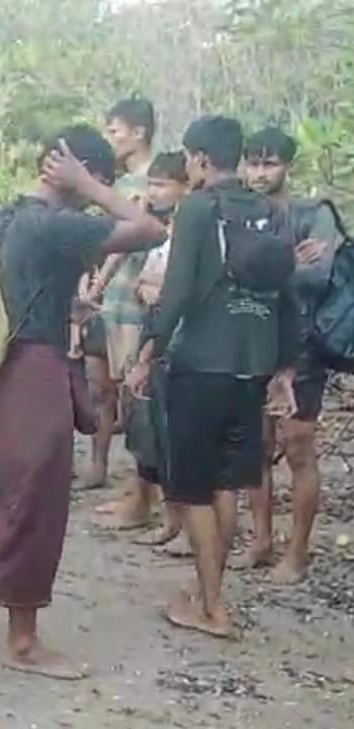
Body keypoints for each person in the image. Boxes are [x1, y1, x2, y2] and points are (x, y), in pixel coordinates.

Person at [0, 125, 165, 679]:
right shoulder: (54, 225)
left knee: (20, 492)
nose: (98, 194)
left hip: (6, 367)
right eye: (98, 179)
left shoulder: (8, 217)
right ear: (76, 170)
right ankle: (22, 641)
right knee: (39, 501)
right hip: (33, 368)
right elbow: (150, 229)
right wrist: (90, 185)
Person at [126, 116, 299, 639]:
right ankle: (209, 595)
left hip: (201, 364)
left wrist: (148, 349)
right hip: (253, 366)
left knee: (195, 488)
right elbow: (287, 297)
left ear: (200, 158)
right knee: (226, 484)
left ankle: (212, 608)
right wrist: (284, 369)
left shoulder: (199, 208)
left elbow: (177, 290)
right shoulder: (271, 212)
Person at [238, 126, 340, 583]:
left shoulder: (314, 214)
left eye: (269, 163)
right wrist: (287, 263)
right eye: (253, 163)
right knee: (255, 447)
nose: (260, 173)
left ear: (287, 166)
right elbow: (231, 271)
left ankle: (297, 552)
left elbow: (318, 276)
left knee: (299, 447)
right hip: (250, 340)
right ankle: (260, 540)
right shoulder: (242, 214)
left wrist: (263, 268)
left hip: (302, 348)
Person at [83, 97, 158, 494]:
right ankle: (97, 465)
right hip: (109, 299)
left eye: (115, 131)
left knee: (132, 392)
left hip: (132, 298)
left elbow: (124, 244)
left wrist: (96, 284)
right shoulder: (121, 182)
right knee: (101, 386)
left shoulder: (156, 180)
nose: (111, 139)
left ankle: (139, 487)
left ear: (138, 132)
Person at [123, 151, 191, 549]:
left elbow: (171, 288)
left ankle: (183, 523)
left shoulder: (191, 229)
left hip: (178, 338)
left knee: (175, 431)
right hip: (156, 330)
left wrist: (155, 289)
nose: (154, 192)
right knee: (150, 427)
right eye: (151, 183)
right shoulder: (163, 228)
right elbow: (145, 282)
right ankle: (169, 517)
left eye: (163, 184)